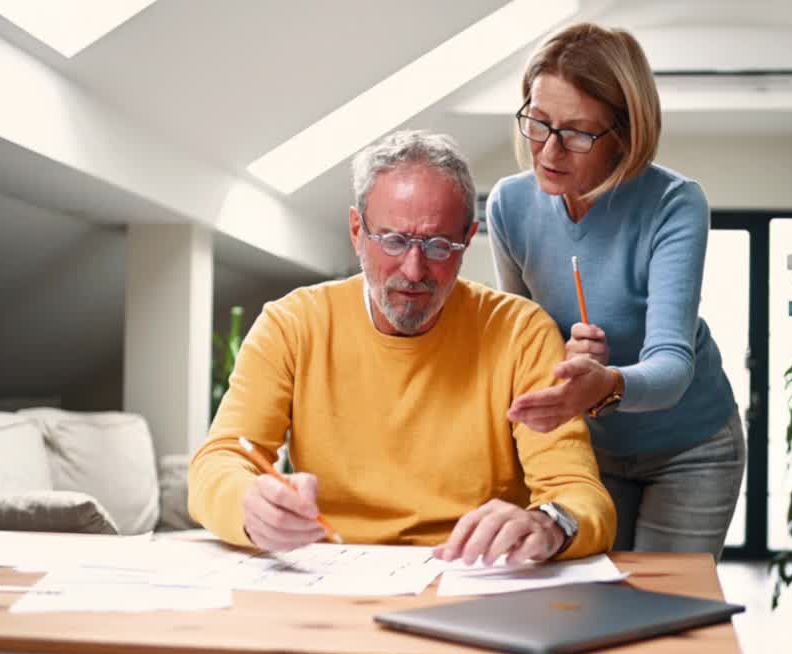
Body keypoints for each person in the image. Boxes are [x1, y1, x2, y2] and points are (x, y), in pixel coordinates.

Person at [188, 130, 616, 564]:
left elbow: (580, 494)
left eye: (437, 246)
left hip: (472, 577)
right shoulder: (292, 325)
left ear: (468, 239)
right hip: (329, 577)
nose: (414, 271)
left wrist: (550, 522)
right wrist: (248, 507)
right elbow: (218, 462)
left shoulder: (521, 334)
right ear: (358, 231)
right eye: (393, 240)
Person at [487, 23, 744, 557]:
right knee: (592, 609)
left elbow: (672, 364)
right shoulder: (508, 205)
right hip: (587, 452)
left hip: (690, 446)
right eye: (538, 121)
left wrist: (606, 382)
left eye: (578, 132)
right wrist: (564, 362)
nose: (549, 150)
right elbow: (520, 342)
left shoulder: (674, 203)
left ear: (624, 134)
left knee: (666, 616)